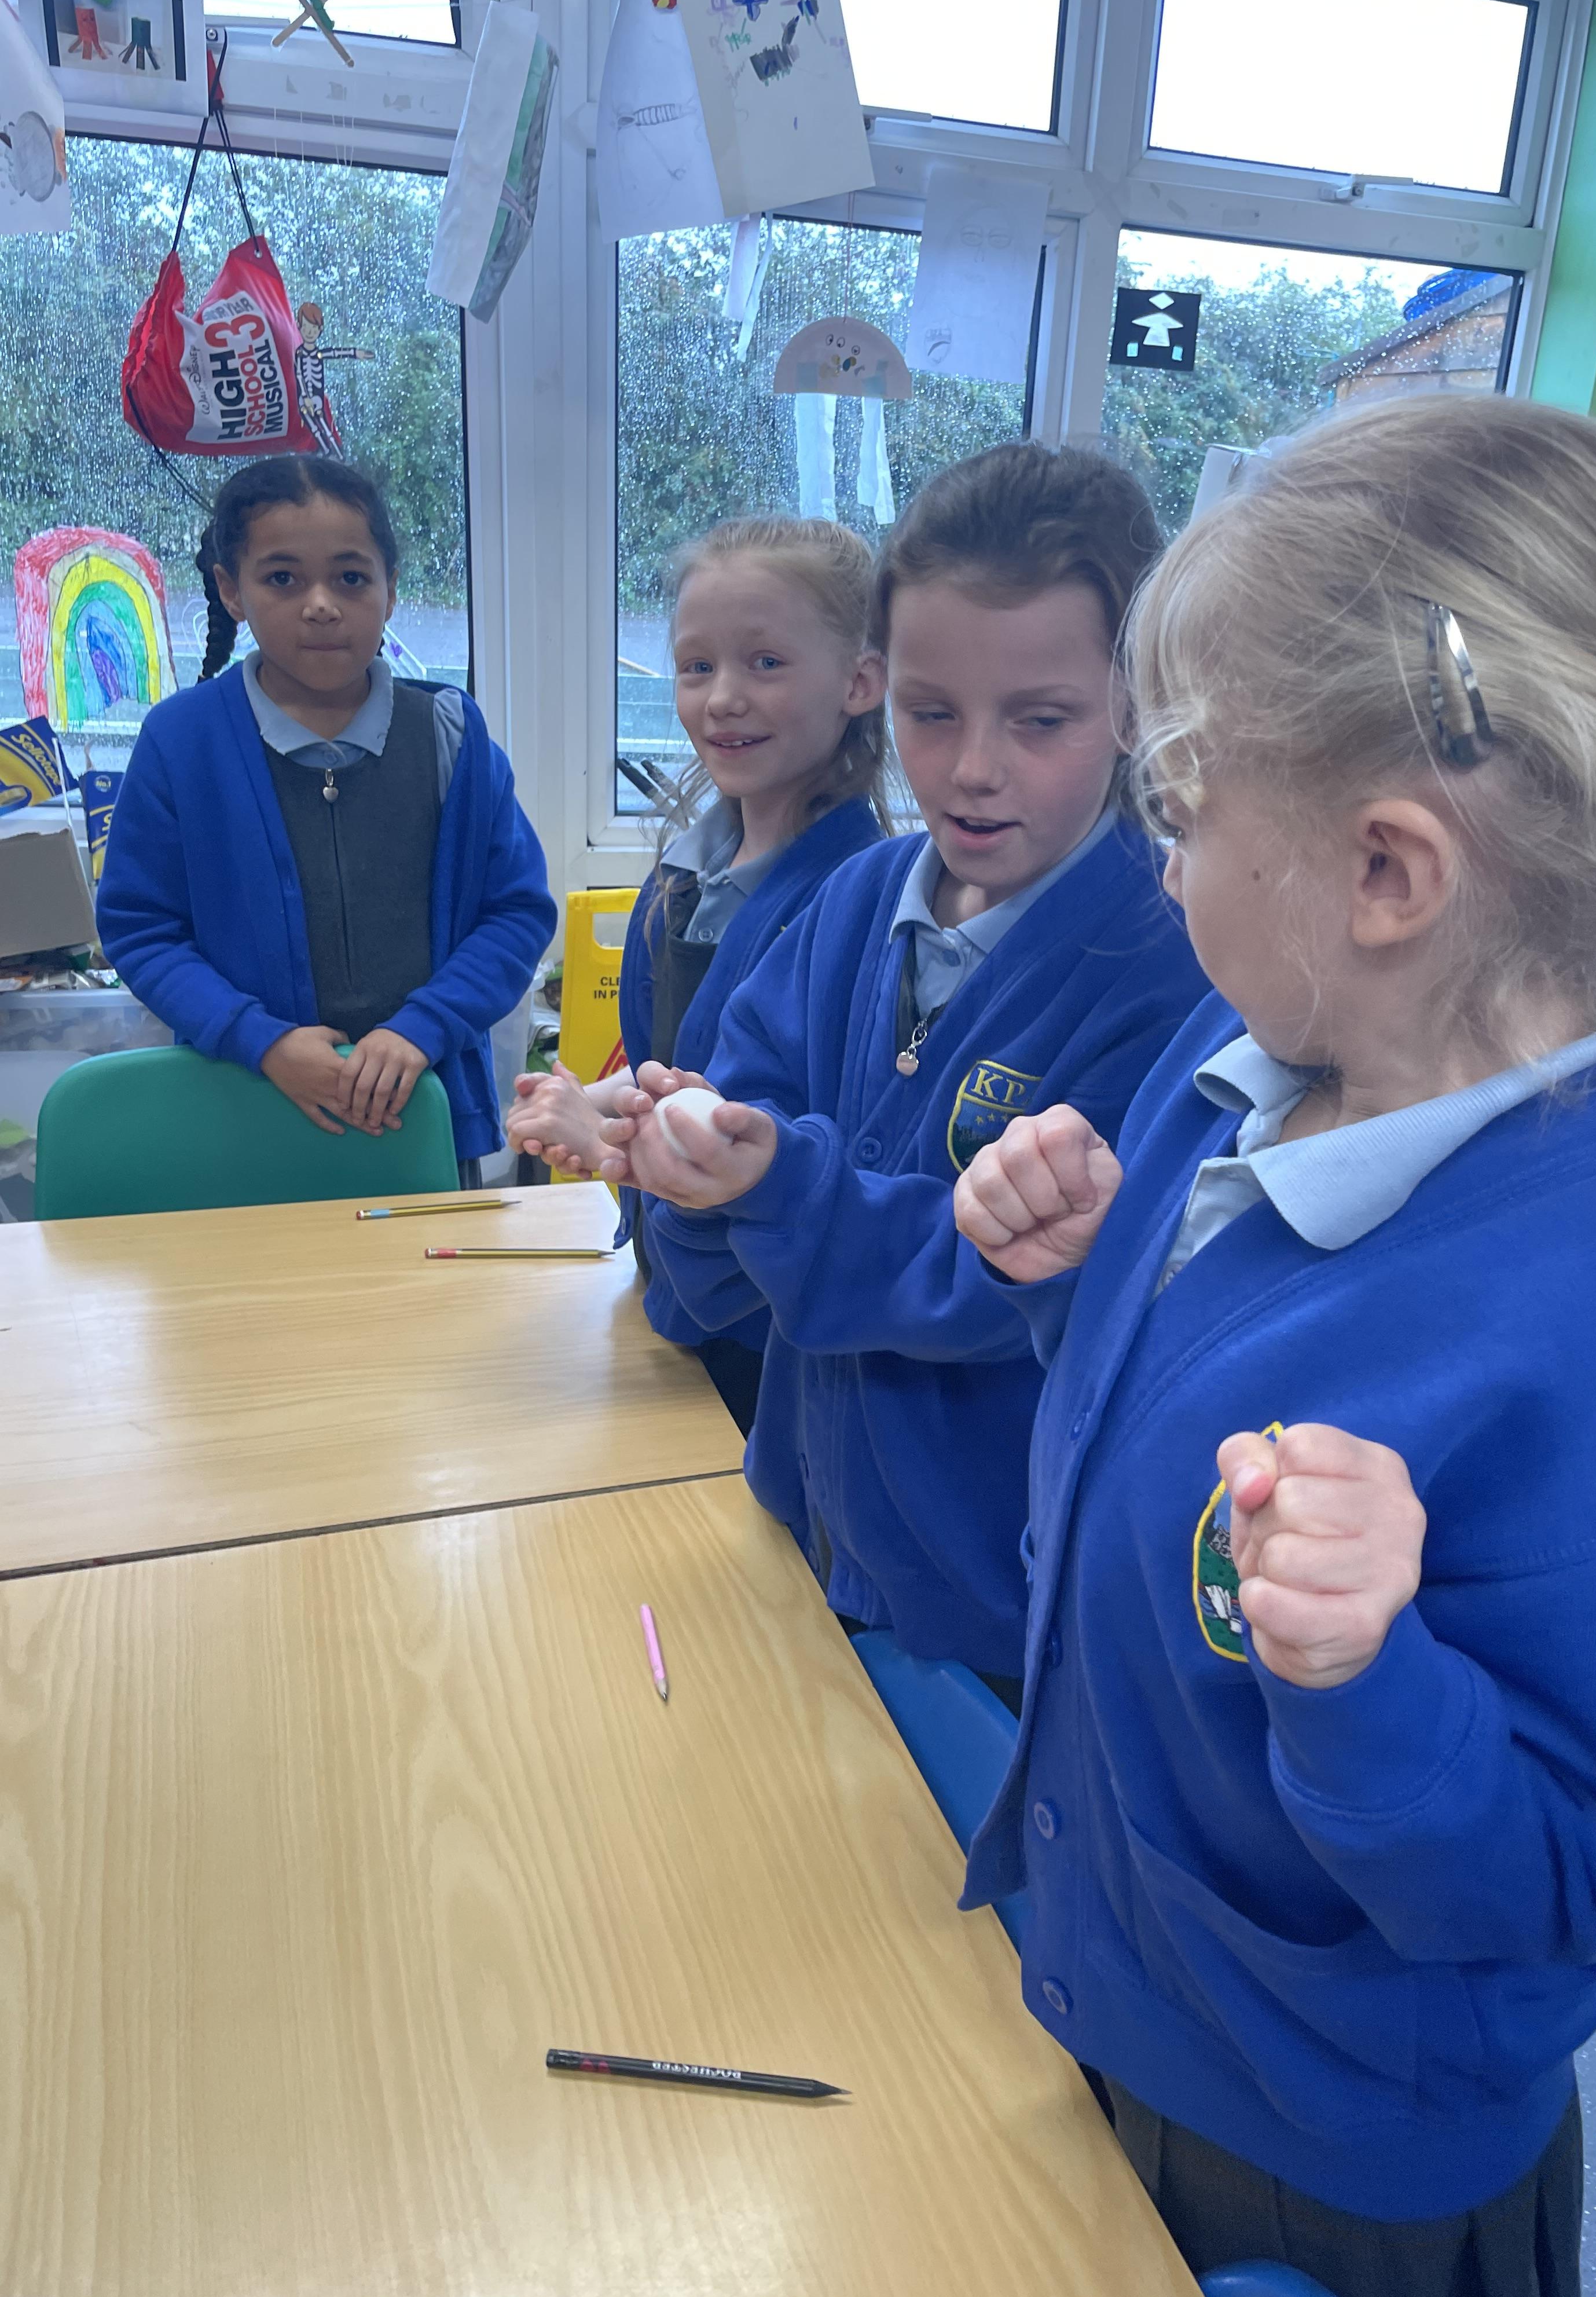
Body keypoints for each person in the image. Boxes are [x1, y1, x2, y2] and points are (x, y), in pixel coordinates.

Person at [951, 394, 1596, 2297]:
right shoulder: (1232, 1058)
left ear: (1386, 874)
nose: (1160, 870)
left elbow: (1552, 1878)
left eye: (1180, 813)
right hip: (1126, 1972)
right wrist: (1075, 1281)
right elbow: (1176, 1417)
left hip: (1321, 2146)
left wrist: (1362, 1674)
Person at [599, 444, 1210, 1694]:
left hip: (995, 1606)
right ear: (882, 692)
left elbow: (1012, 1284)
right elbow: (740, 1158)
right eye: (931, 714)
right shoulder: (855, 900)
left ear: (1135, 704)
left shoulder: (1172, 963)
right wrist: (688, 1162)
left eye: (1040, 720)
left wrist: (771, 1187)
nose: (973, 766)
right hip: (802, 1529)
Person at [505, 516, 889, 1434]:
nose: (722, 699)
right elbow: (676, 1068)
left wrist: (614, 1143)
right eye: (696, 666)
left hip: (768, 1341)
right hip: (671, 1297)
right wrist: (601, 1104)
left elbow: (793, 1141)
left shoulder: (858, 902)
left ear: (860, 682)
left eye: (766, 663)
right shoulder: (681, 879)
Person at [97, 457, 555, 1175]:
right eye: (283, 578)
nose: (321, 605)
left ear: (390, 589)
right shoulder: (181, 741)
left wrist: (423, 1027)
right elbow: (142, 928)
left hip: (420, 1111)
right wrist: (260, 1040)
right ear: (231, 589)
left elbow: (516, 912)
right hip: (242, 1110)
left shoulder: (450, 736)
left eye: (350, 578)